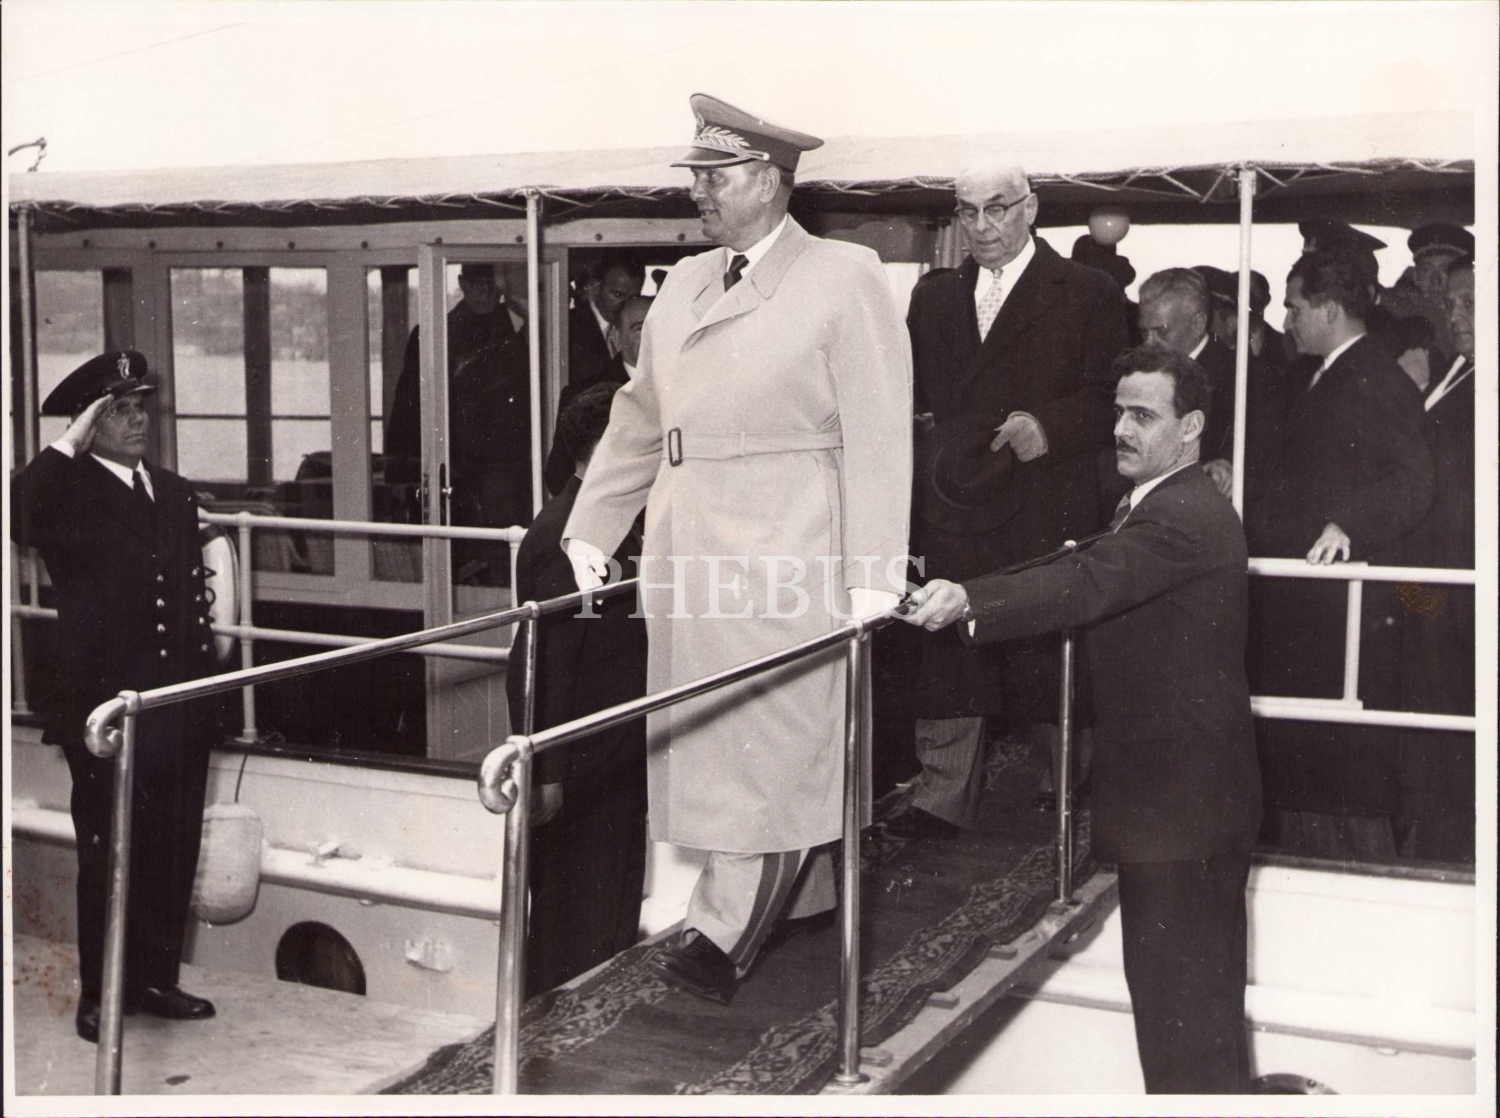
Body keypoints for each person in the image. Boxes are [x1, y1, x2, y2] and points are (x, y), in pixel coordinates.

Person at [561, 93, 912, 1005]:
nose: (699, 194)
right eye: (698, 177)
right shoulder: (682, 283)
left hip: (790, 543)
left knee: (781, 738)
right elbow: (640, 416)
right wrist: (594, 525)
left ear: (768, 181)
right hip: (689, 545)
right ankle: (807, 897)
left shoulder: (843, 276)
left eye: (715, 178)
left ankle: (722, 935)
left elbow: (880, 433)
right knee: (717, 735)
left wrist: (876, 571)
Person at [901, 343, 1262, 1093]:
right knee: (1192, 1022)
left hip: (1181, 816)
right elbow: (1083, 559)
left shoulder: (1182, 515)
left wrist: (971, 602)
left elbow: (1090, 578)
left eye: (1143, 415)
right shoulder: (1162, 503)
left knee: (1180, 1031)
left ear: (1192, 426)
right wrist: (966, 588)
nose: (1121, 429)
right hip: (1185, 808)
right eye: (1119, 411)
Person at [892, 158, 1128, 840]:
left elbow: (1112, 397)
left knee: (1043, 646)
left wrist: (1048, 427)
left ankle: (1066, 783)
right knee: (946, 644)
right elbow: (914, 394)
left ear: (1030, 208)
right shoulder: (934, 298)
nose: (981, 225)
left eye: (996, 208)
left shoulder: (1088, 292)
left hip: (1042, 497)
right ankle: (941, 798)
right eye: (967, 211)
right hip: (955, 498)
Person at [10, 352, 220, 1043]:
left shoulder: (175, 492)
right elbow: (16, 515)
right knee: (108, 853)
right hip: (105, 707)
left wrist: (202, 694)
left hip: (176, 702)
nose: (137, 421)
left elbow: (185, 601)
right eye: (117, 410)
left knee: (171, 844)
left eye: (140, 407)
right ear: (90, 422)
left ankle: (154, 978)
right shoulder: (66, 492)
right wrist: (68, 442)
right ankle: (100, 994)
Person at [1246, 251, 1434, 851]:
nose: (1286, 320)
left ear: (1328, 309)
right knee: (1305, 755)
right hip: (1305, 597)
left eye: (1294, 307)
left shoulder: (1377, 378)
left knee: (1336, 764)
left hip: (1336, 603)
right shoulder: (1321, 373)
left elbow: (1414, 480)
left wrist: (1347, 523)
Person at [508, 382, 649, 994]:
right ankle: (553, 1037)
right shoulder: (565, 534)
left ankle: (596, 1021)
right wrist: (546, 772)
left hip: (615, 748)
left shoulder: (610, 520)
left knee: (610, 908)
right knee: (572, 919)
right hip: (579, 762)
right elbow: (539, 661)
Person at [1396, 255, 1476, 862]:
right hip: (1427, 584)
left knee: (1457, 716)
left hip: (1464, 589)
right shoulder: (1456, 371)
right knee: (1429, 707)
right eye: (1450, 304)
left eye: (1470, 303)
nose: (1456, 316)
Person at [1138, 268, 1235, 496]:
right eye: (1144, 331)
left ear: (1198, 324)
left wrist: (1226, 463)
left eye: (1161, 331)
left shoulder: (1241, 375)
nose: (1149, 343)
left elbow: (1257, 444)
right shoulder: (1139, 372)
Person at [545, 294, 654, 496]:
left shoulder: (684, 386)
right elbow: (559, 475)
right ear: (616, 338)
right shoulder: (582, 394)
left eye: (657, 326)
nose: (652, 336)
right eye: (639, 329)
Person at [567, 252, 644, 396]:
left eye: (634, 297)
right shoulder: (568, 327)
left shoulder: (642, 328)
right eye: (618, 295)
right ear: (595, 288)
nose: (626, 303)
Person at [1407, 223, 1473, 361]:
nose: (1436, 280)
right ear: (1415, 276)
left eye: (1446, 269)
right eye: (1426, 270)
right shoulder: (1403, 317)